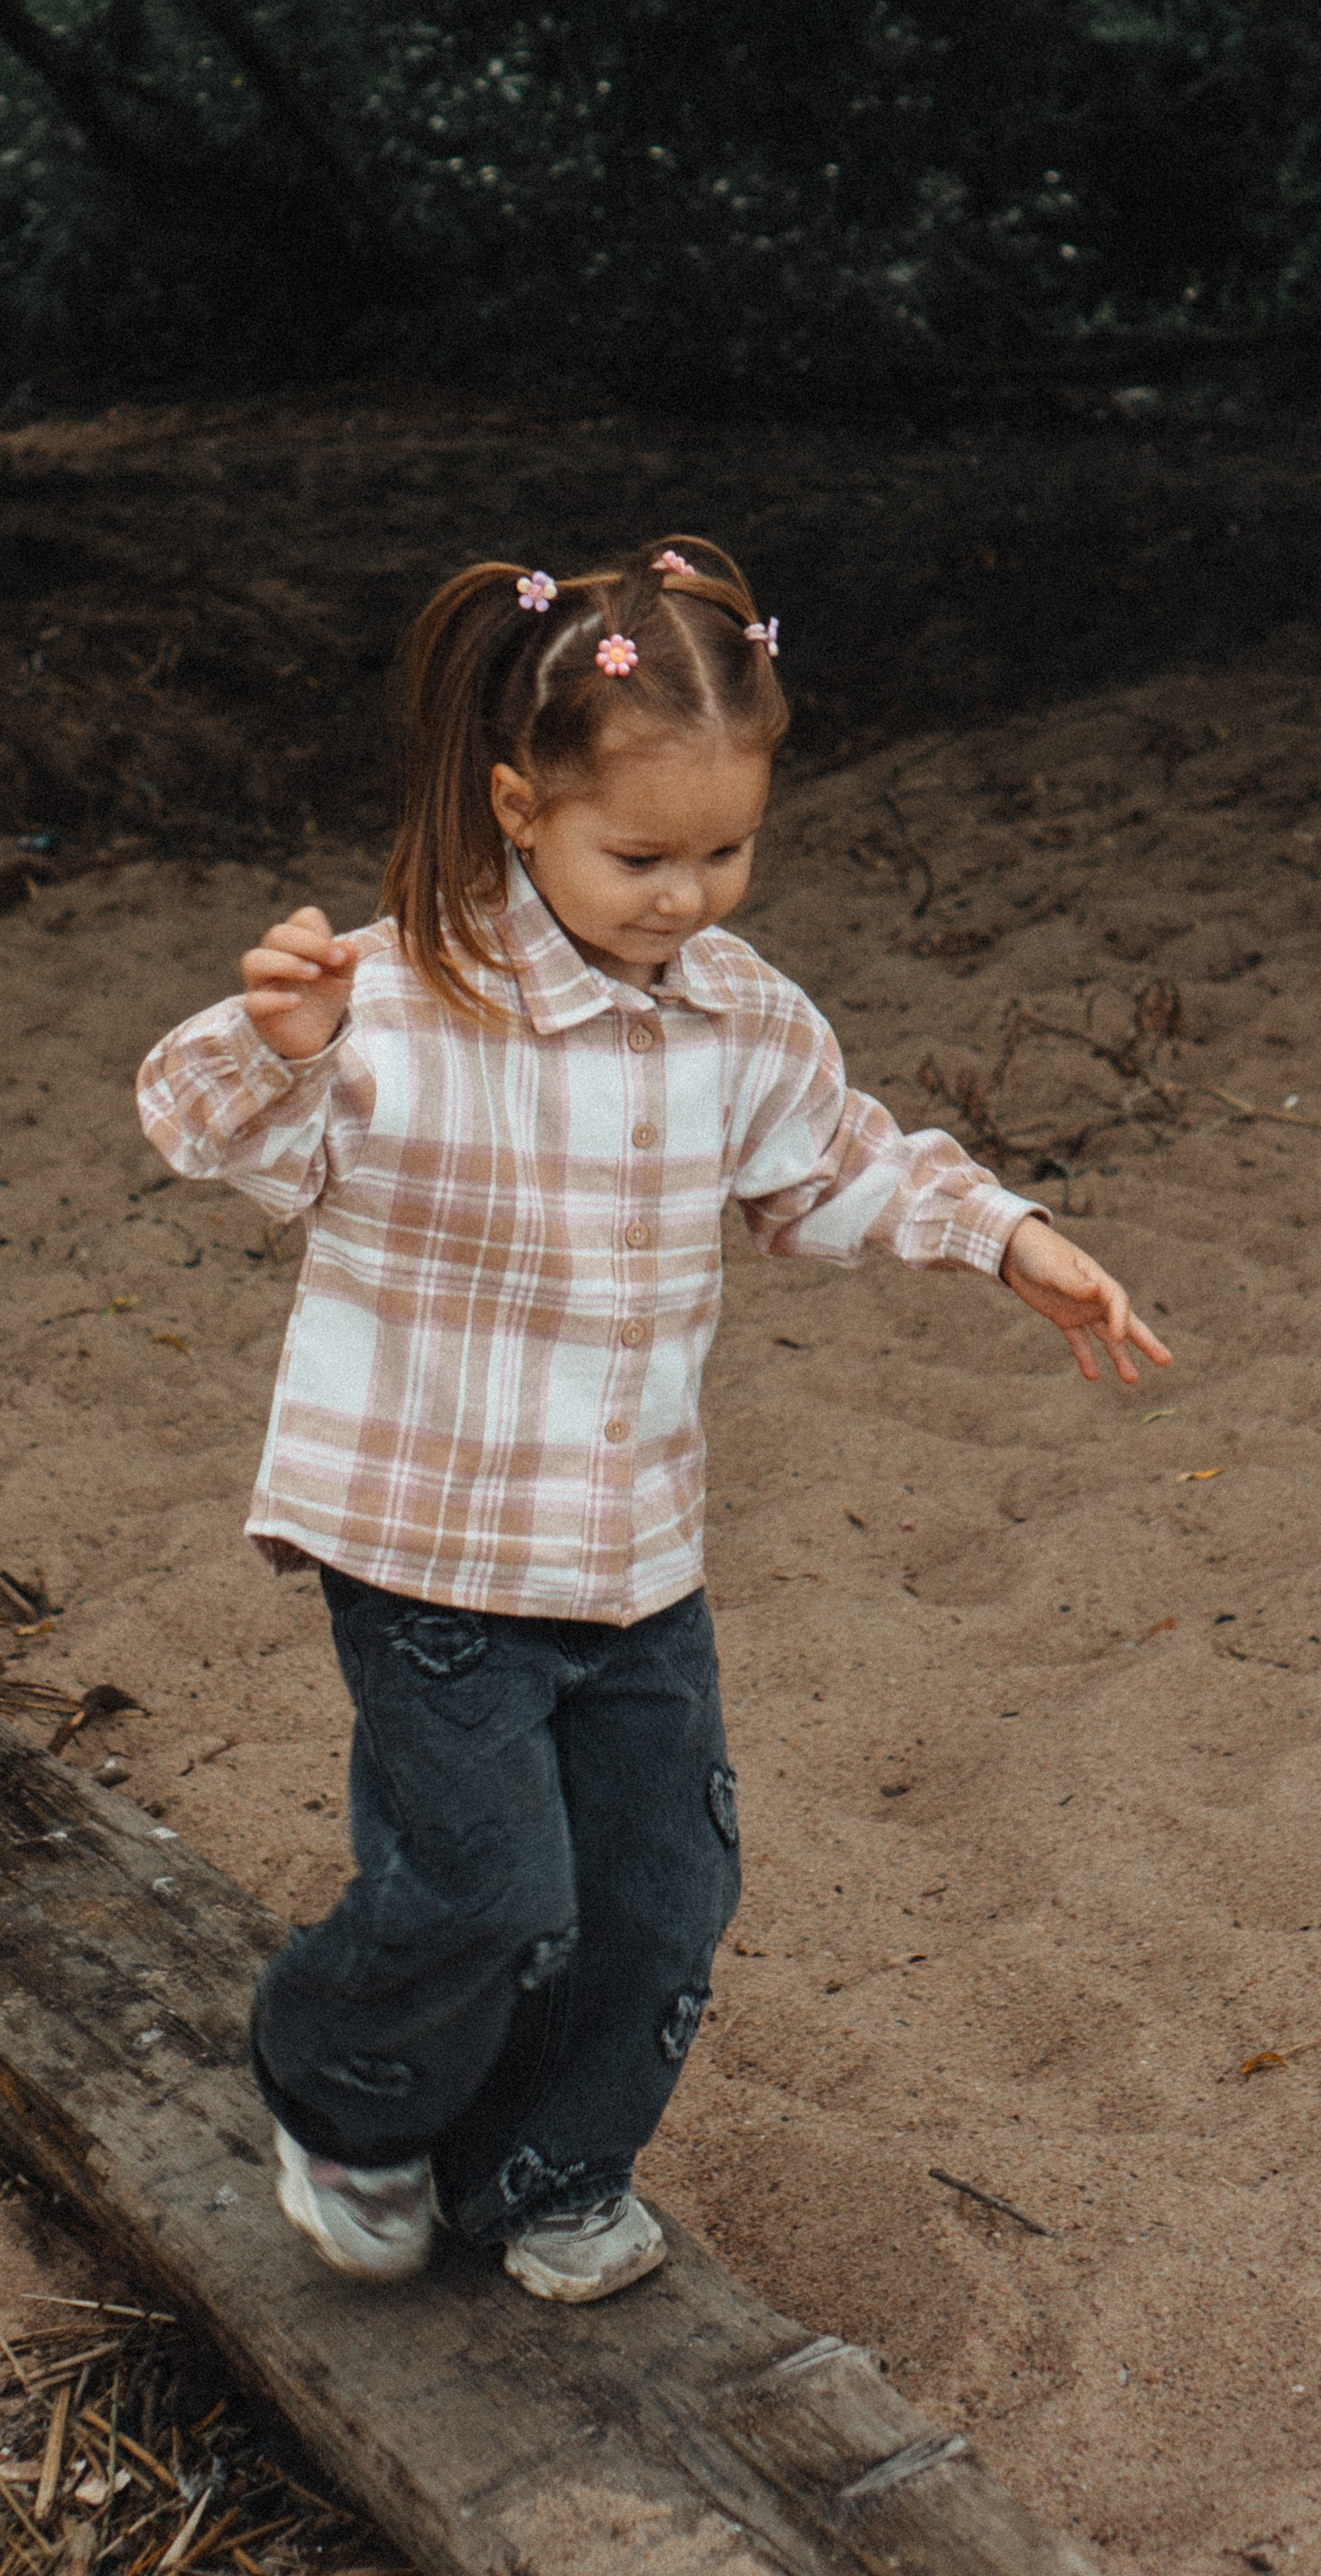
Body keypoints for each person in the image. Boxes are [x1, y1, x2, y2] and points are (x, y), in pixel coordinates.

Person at [135, 538, 1169, 2307]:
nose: (686, 896)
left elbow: (841, 1160)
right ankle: (343, 2096)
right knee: (482, 1893)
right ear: (519, 806)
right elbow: (207, 1131)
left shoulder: (737, 1016)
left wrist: (1007, 1238)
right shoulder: (396, 997)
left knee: (657, 1897)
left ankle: (544, 2174)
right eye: (640, 856)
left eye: (723, 851)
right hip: (427, 1549)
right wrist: (278, 1041)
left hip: (631, 1558)